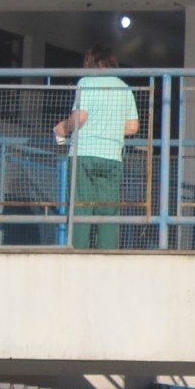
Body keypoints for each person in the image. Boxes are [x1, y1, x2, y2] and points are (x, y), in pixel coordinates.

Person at [52, 43, 140, 250]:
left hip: (84, 154)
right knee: (108, 211)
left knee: (81, 207)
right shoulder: (123, 87)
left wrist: (62, 128)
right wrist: (109, 127)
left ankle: (78, 254)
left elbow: (80, 117)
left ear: (91, 62)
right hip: (112, 156)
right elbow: (133, 127)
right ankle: (107, 256)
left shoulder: (87, 81)